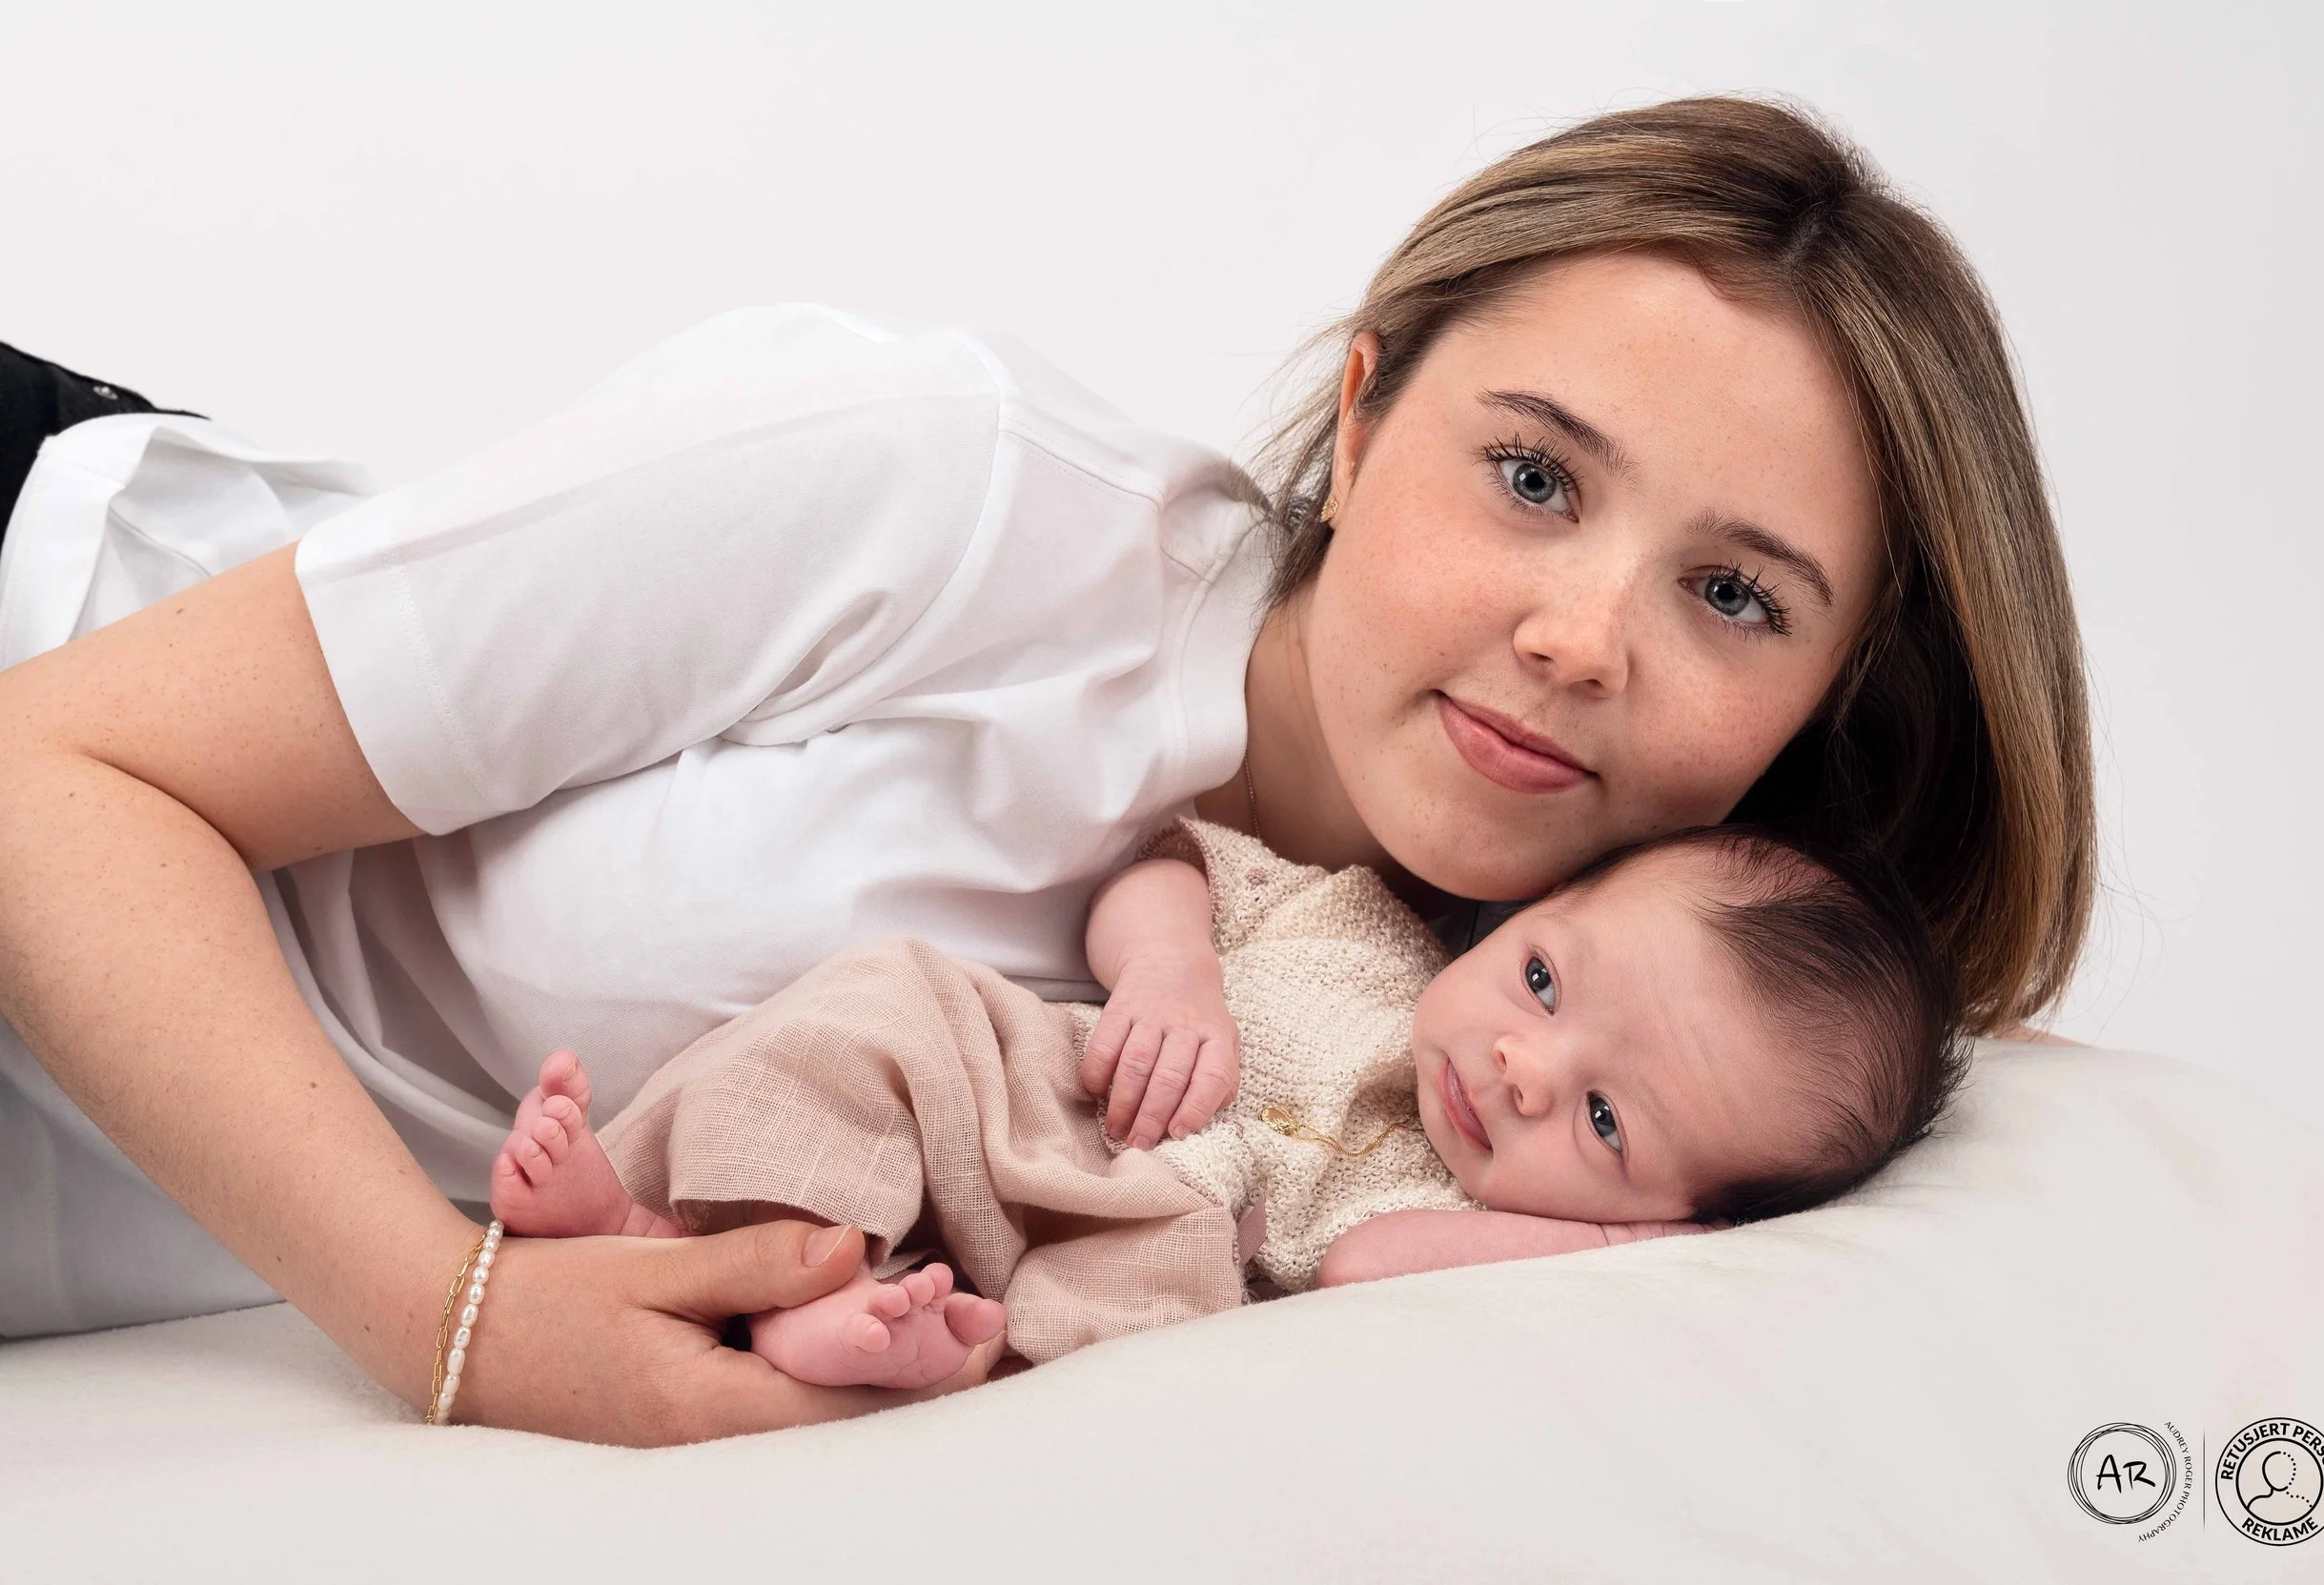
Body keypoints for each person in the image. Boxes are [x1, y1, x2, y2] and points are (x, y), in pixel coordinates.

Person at [0, 96, 2092, 1444]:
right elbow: (56, 772)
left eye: (1735, 599)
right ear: (1359, 423)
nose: (1579, 638)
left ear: (1823, 708)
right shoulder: (957, 492)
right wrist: (438, 1314)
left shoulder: (1495, 1080)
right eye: (1530, 475)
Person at [487, 817, 1960, 1390]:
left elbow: (1367, 1269)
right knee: (878, 1008)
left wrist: (1605, 1245)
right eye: (1547, 981)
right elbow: (1156, 865)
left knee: (1118, 1341)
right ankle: (658, 1221)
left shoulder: (1465, 1221)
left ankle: (845, 1333)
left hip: (1137, 1252)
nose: (1523, 1067)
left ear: (1669, 1219)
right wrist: (1175, 969)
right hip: (1028, 1111)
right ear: (1535, 899)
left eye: (1607, 1124)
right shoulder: (1362, 917)